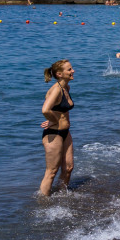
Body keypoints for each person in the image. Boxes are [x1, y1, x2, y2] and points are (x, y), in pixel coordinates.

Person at [40, 59, 75, 196]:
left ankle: (62, 196)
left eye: (71, 68)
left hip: (65, 132)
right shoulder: (56, 90)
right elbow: (45, 110)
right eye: (69, 69)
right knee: (51, 171)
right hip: (53, 133)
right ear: (59, 74)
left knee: (68, 167)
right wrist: (53, 121)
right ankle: (44, 203)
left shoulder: (66, 87)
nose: (73, 71)